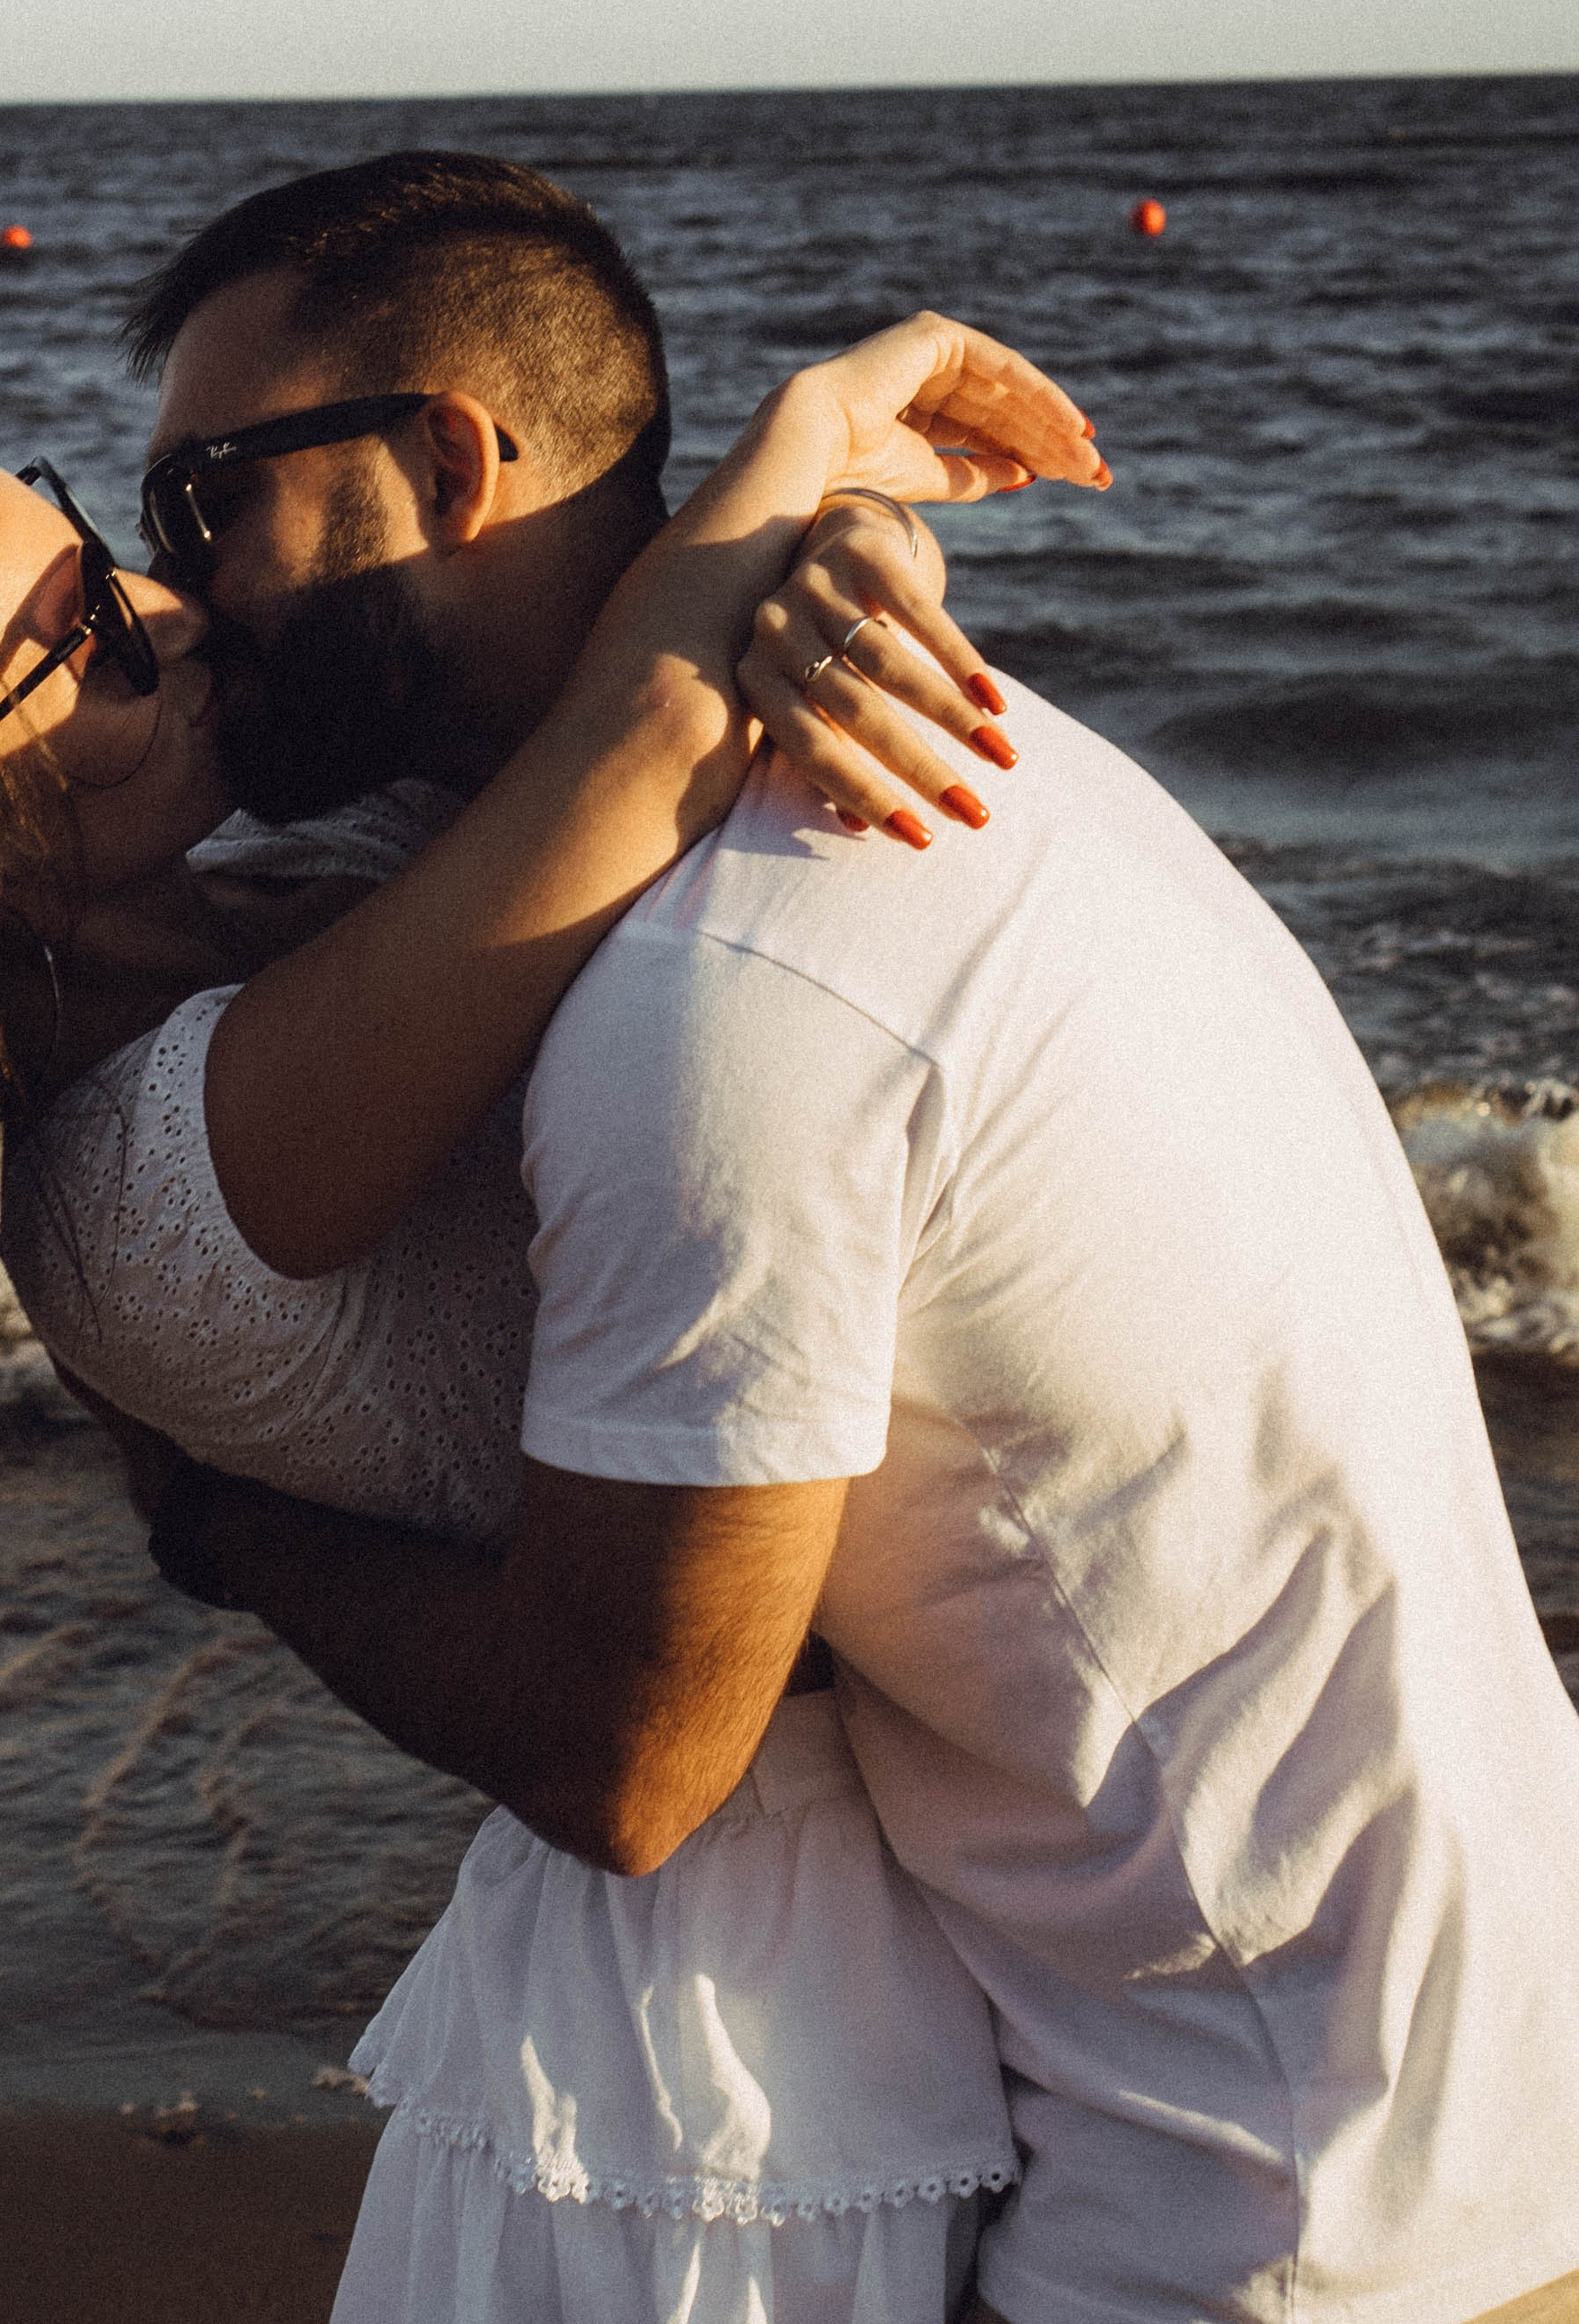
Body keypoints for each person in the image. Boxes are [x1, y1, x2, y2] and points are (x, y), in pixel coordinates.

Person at [0, 298, 1087, 2324]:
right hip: (736, 2036)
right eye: (84, 641)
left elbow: (627, 667)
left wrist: (851, 567)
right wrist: (812, 422)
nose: (172, 608)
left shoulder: (307, 880)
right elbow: (645, 735)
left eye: (90, 539)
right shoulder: (152, 1175)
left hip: (896, 1913)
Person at [87, 150, 1579, 2324]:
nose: (182, 590)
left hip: (1272, 2210)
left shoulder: (722, 994)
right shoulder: (945, 773)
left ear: (441, 459)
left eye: (208, 495)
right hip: (1466, 2063)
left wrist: (227, 1530)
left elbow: (628, 1754)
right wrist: (819, 522)